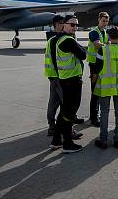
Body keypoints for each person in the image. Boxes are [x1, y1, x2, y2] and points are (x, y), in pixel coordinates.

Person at [92, 27, 118, 149]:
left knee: (104, 112)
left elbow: (96, 68)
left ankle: (104, 139)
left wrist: (94, 79)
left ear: (108, 37)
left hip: (106, 86)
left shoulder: (103, 50)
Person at [51, 15, 88, 153]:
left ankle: (56, 140)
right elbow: (83, 54)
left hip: (66, 79)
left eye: (76, 25)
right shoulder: (67, 41)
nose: (75, 27)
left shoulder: (60, 39)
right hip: (71, 81)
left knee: (65, 111)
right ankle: (67, 143)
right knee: (70, 112)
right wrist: (81, 48)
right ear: (64, 25)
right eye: (72, 25)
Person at [45, 15, 84, 139]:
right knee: (66, 106)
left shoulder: (57, 39)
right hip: (60, 77)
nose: (74, 27)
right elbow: (57, 60)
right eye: (60, 24)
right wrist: (60, 76)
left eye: (76, 25)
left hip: (56, 76)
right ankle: (65, 130)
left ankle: (53, 128)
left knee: (56, 103)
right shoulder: (57, 40)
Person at [87, 12, 110, 127]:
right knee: (95, 91)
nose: (105, 23)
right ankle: (93, 117)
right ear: (98, 20)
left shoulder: (105, 32)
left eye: (106, 21)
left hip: (102, 64)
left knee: (100, 90)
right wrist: (107, 45)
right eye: (103, 21)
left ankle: (96, 115)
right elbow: (97, 45)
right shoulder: (93, 32)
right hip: (94, 65)